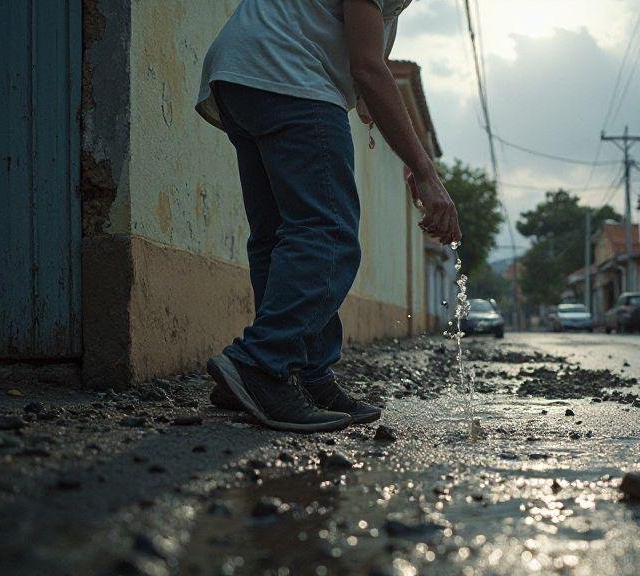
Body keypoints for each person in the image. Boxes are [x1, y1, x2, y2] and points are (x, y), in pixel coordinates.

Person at [195, 0, 462, 433]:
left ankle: (303, 376)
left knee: (279, 236)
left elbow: (361, 62)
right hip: (291, 77)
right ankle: (263, 364)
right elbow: (369, 68)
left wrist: (366, 97)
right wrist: (426, 172)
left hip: (241, 76)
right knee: (327, 233)